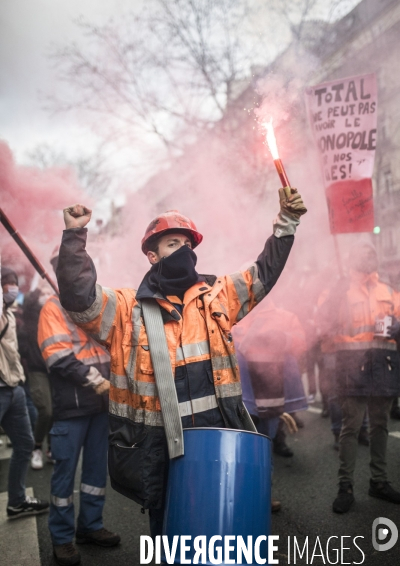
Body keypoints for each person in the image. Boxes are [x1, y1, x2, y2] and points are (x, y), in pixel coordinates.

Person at [55, 189, 306, 537]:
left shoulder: (218, 295)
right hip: (156, 445)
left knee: (217, 527)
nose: (183, 250)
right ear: (151, 255)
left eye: (187, 243)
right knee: (168, 529)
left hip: (215, 438)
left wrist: (287, 222)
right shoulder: (128, 310)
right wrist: (74, 236)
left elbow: (264, 272)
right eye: (173, 243)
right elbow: (79, 298)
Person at [38, 253, 120, 566]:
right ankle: (62, 539)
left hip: (102, 405)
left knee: (96, 471)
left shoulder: (98, 303)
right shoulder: (52, 307)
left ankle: (91, 526)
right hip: (71, 407)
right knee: (64, 475)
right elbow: (57, 356)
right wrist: (95, 380)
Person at [322, 243, 400, 513]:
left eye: (372, 254)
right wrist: (335, 298)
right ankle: (346, 487)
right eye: (363, 254)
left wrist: (395, 326)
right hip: (352, 370)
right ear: (355, 260)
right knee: (351, 428)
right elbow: (323, 324)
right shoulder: (341, 290)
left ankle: (378, 482)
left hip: (384, 368)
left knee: (379, 426)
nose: (369, 258)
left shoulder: (389, 291)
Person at [0, 265, 49, 519]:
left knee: (25, 443)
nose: (12, 288)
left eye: (14, 282)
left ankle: (17, 501)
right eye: (6, 283)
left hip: (14, 388)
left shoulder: (9, 315)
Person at [18, 282, 54, 469]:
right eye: (44, 292)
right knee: (45, 410)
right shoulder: (32, 317)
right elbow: (29, 303)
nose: (47, 295)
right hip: (37, 369)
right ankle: (37, 447)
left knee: (55, 411)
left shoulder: (54, 316)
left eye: (50, 291)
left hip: (55, 369)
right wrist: (38, 289)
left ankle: (51, 449)